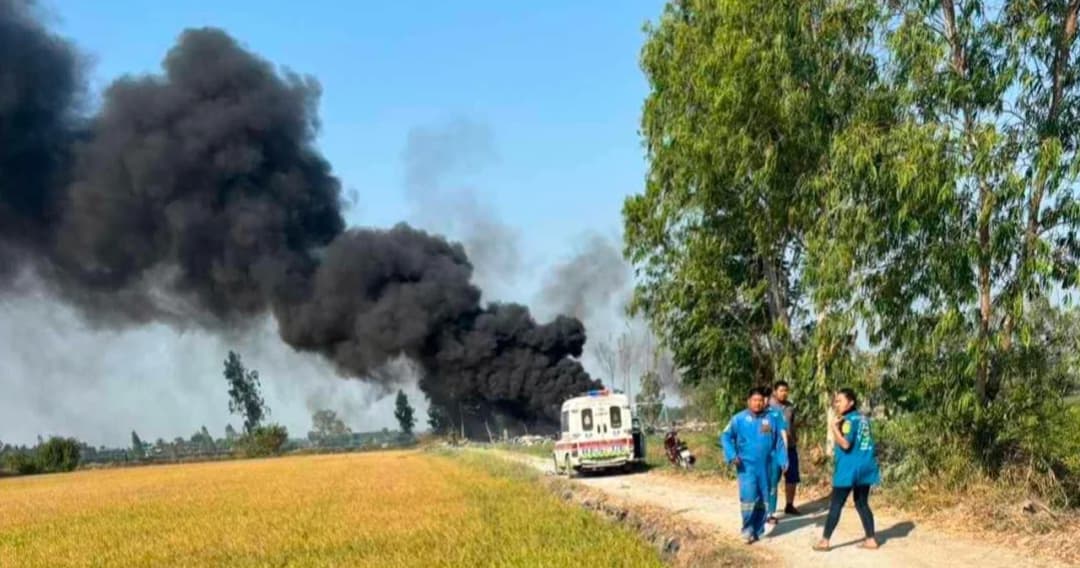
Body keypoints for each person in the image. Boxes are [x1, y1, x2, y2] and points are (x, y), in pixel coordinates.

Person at [814, 388, 880, 552]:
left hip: (849, 468)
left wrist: (834, 427)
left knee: (836, 503)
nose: (837, 404)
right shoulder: (864, 418)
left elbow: (845, 444)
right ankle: (871, 539)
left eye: (840, 401)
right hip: (865, 466)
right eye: (836, 401)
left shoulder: (848, 420)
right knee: (862, 503)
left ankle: (825, 541)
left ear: (850, 402)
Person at [720, 387, 788, 544]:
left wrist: (783, 460)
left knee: (764, 498)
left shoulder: (770, 419)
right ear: (749, 402)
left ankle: (757, 529)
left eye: (760, 400)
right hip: (746, 466)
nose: (758, 403)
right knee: (749, 496)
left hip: (767, 466)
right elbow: (725, 436)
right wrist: (732, 455)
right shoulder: (738, 419)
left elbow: (778, 442)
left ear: (763, 402)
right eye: (754, 400)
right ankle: (747, 528)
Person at [770, 380, 801, 516]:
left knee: (792, 477)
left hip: (791, 447)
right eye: (781, 390)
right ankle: (769, 509)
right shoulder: (768, 406)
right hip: (775, 448)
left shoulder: (790, 407)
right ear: (775, 391)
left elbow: (792, 423)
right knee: (773, 478)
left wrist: (794, 437)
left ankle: (789, 505)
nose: (784, 393)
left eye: (786, 391)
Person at [759, 386, 789, 528]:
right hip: (757, 458)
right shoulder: (751, 415)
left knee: (772, 485)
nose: (764, 401)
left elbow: (782, 435)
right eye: (761, 397)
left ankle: (770, 513)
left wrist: (785, 456)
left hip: (774, 457)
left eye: (766, 397)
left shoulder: (776, 414)